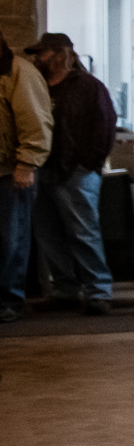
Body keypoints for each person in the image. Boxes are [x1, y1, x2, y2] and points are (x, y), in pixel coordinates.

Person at [26, 32, 116, 315]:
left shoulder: (89, 87)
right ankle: (65, 289)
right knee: (48, 233)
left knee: (83, 232)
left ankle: (98, 290)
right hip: (45, 169)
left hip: (77, 171)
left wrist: (89, 163)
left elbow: (105, 124)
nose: (37, 59)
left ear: (58, 54)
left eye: (42, 53)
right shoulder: (39, 86)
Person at [0, 31, 53, 324]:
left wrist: (27, 163)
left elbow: (34, 120)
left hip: (10, 171)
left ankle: (9, 298)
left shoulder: (19, 72)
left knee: (11, 237)